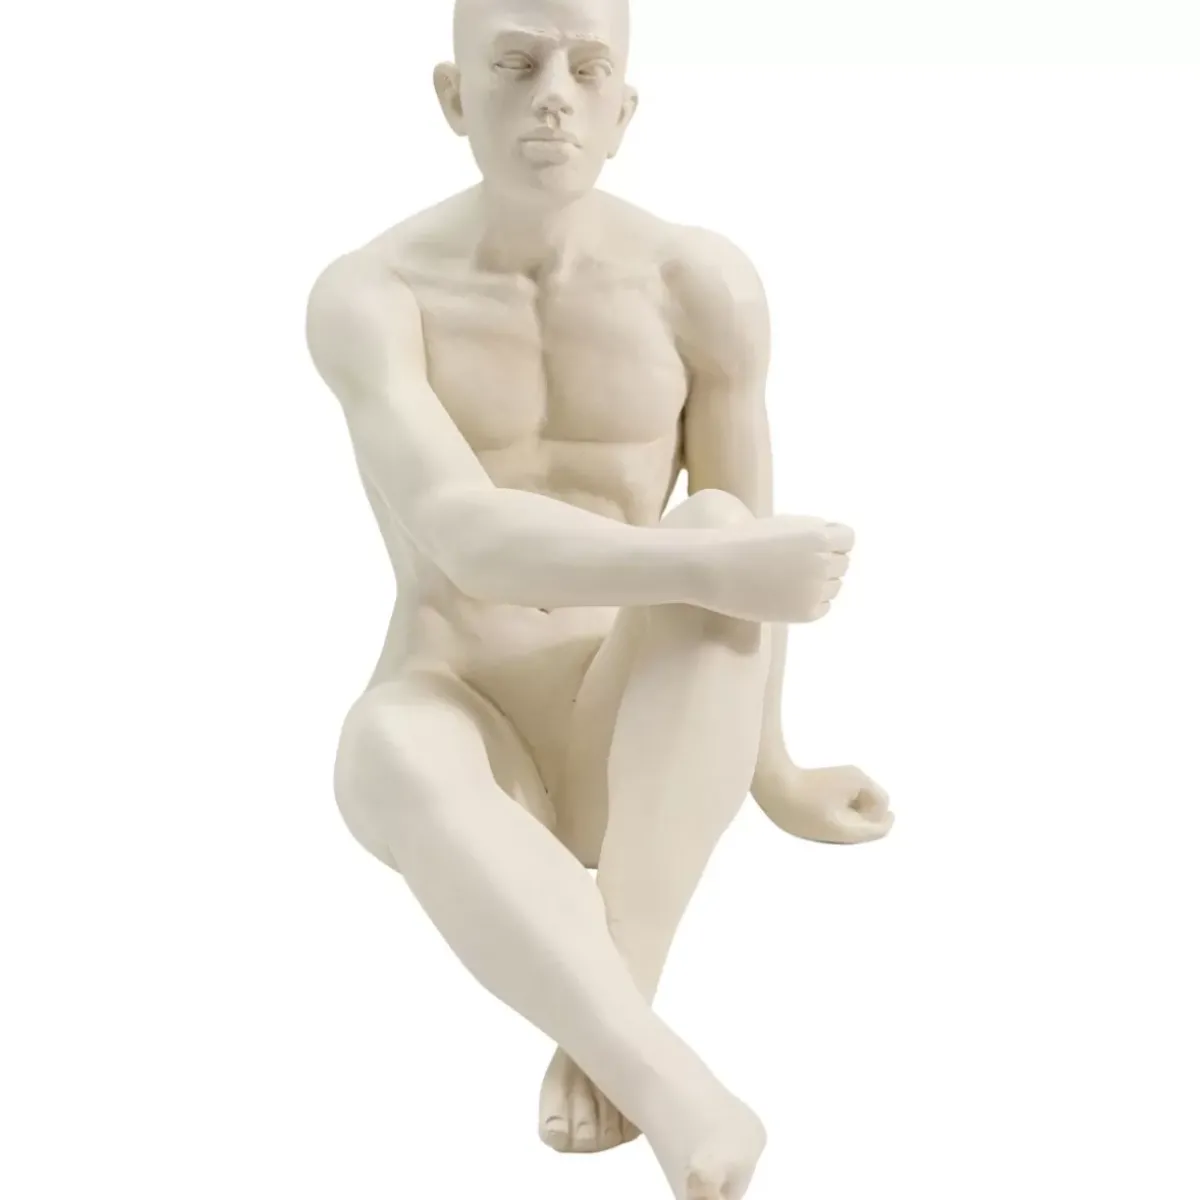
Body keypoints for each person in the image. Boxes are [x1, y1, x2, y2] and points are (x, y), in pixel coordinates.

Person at [305, 1, 891, 1195]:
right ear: (454, 96)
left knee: (716, 525)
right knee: (384, 745)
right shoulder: (372, 294)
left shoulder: (700, 283)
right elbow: (466, 535)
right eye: (516, 65)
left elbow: (739, 561)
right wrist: (710, 567)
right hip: (465, 716)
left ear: (624, 109)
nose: (554, 97)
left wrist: (774, 767)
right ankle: (676, 1088)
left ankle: (611, 1009)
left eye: (587, 70)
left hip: (641, 735)